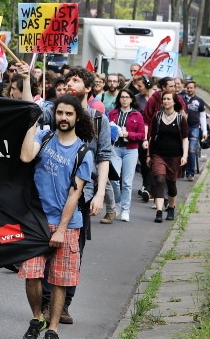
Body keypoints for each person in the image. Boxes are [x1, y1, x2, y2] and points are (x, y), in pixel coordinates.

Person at [19, 95, 94, 339]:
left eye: (69, 114)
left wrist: (61, 229)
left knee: (60, 280)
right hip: (37, 220)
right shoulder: (45, 136)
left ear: (77, 117)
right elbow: (26, 157)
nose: (63, 118)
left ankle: (53, 328)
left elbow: (75, 194)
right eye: (60, 113)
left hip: (67, 224)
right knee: (32, 274)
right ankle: (36, 318)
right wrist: (32, 123)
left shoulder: (83, 151)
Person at [147, 92, 188, 223]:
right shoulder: (157, 116)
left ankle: (171, 207)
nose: (165, 101)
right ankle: (159, 211)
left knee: (171, 183)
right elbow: (151, 137)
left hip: (175, 156)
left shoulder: (180, 118)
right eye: (164, 99)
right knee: (159, 179)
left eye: (168, 99)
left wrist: (185, 155)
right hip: (158, 154)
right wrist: (149, 154)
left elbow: (185, 139)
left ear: (174, 101)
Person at [108, 89, 145, 222]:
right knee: (114, 179)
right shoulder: (112, 113)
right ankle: (117, 202)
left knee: (127, 182)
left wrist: (128, 134)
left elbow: (141, 135)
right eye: (122, 97)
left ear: (131, 99)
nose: (124, 99)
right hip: (115, 149)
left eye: (127, 97)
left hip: (131, 150)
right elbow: (106, 129)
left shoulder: (137, 115)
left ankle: (125, 209)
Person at [182, 81, 208, 181]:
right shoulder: (181, 99)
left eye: (191, 88)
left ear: (195, 88)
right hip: (182, 128)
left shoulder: (200, 101)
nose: (189, 89)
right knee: (181, 150)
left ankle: (190, 173)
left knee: (192, 149)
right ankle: (180, 170)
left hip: (194, 128)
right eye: (188, 88)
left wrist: (204, 131)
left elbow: (202, 117)